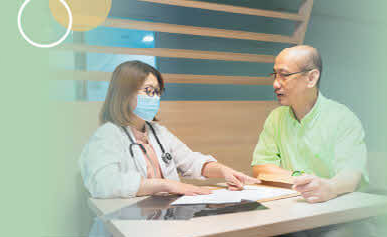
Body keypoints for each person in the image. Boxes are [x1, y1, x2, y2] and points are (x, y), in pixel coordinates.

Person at [80, 60, 259, 200]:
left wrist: (223, 171)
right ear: (124, 94)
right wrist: (166, 185)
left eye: (157, 92)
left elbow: (191, 162)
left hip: (163, 216)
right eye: (148, 91)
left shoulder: (158, 132)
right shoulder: (107, 135)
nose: (155, 98)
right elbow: (103, 184)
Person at [253, 45, 376, 237]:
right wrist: (301, 178)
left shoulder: (343, 118)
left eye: (284, 75)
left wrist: (328, 188)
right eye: (274, 75)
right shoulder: (276, 118)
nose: (276, 84)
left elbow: (351, 176)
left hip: (340, 215)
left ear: (311, 78)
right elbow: (262, 167)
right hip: (295, 211)